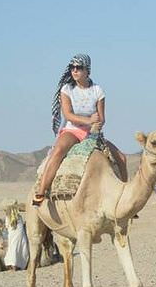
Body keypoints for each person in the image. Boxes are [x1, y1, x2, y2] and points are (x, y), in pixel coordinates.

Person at [33, 53, 127, 206]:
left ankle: (124, 198)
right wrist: (89, 120)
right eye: (72, 67)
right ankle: (41, 191)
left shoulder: (97, 91)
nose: (74, 71)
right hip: (73, 131)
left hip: (93, 133)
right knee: (58, 151)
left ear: (87, 70)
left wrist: (96, 125)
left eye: (78, 68)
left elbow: (102, 118)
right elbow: (68, 115)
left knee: (121, 158)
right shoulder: (67, 89)